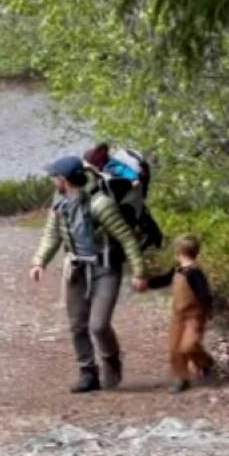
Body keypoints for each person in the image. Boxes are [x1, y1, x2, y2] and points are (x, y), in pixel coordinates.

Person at [30, 155, 149, 393]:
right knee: (77, 325)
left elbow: (126, 238)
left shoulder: (100, 204)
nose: (54, 181)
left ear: (64, 179)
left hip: (105, 268)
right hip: (76, 269)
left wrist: (139, 272)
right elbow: (52, 235)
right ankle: (87, 373)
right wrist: (39, 261)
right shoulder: (60, 204)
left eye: (55, 177)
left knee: (98, 324)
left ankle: (111, 361)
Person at [148, 233, 216, 393]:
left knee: (188, 346)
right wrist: (148, 283)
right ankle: (181, 378)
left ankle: (205, 362)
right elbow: (164, 279)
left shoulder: (194, 272)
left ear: (178, 252)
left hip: (194, 317)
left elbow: (204, 295)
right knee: (174, 349)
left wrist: (208, 312)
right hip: (178, 316)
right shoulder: (177, 269)